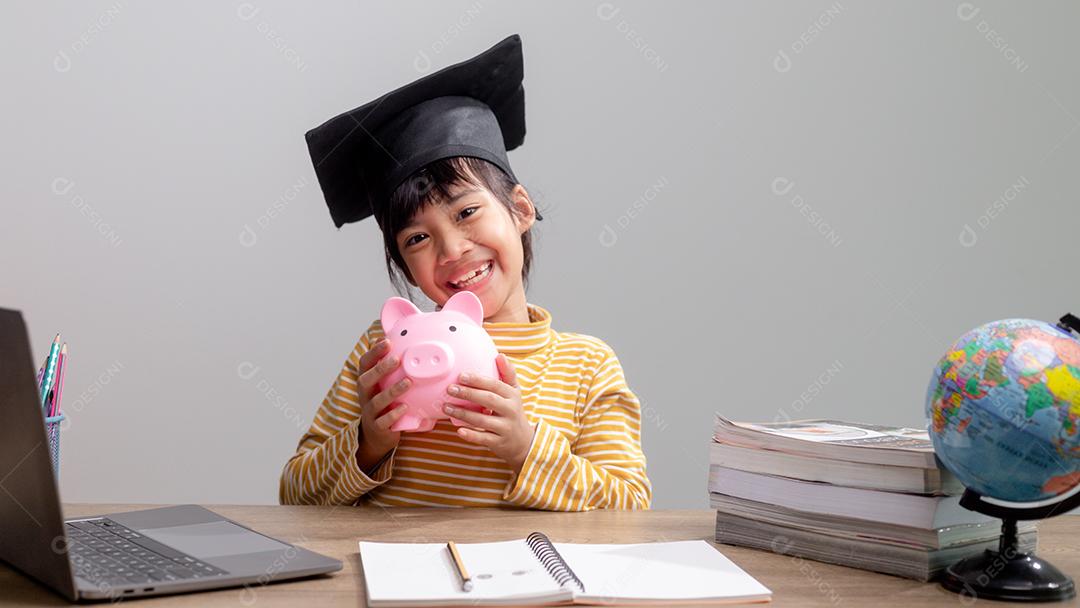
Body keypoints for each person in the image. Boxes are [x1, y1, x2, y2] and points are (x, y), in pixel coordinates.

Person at [279, 35, 651, 510]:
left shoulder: (585, 366)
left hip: (524, 580)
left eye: (466, 212)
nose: (452, 250)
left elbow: (629, 508)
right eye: (417, 239)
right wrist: (369, 441)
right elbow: (294, 495)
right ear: (405, 269)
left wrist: (525, 447)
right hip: (394, 579)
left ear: (519, 209)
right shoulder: (382, 355)